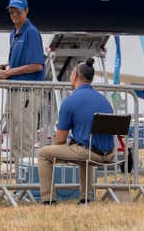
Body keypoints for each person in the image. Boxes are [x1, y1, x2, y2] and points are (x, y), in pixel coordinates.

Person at [38, 58, 114, 205]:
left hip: (88, 153)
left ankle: (48, 199)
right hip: (109, 154)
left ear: (75, 76)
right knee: (86, 149)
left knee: (44, 154)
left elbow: (59, 140)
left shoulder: (70, 101)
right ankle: (85, 198)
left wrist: (61, 147)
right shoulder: (104, 100)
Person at [0, 0, 45, 165]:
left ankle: (26, 184)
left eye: (17, 10)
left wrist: (8, 73)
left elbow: (37, 65)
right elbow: (22, 62)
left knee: (24, 139)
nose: (14, 14)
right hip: (15, 91)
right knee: (15, 137)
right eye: (11, 11)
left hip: (26, 92)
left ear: (26, 11)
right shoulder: (13, 34)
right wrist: (4, 67)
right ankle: (18, 181)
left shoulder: (31, 32)